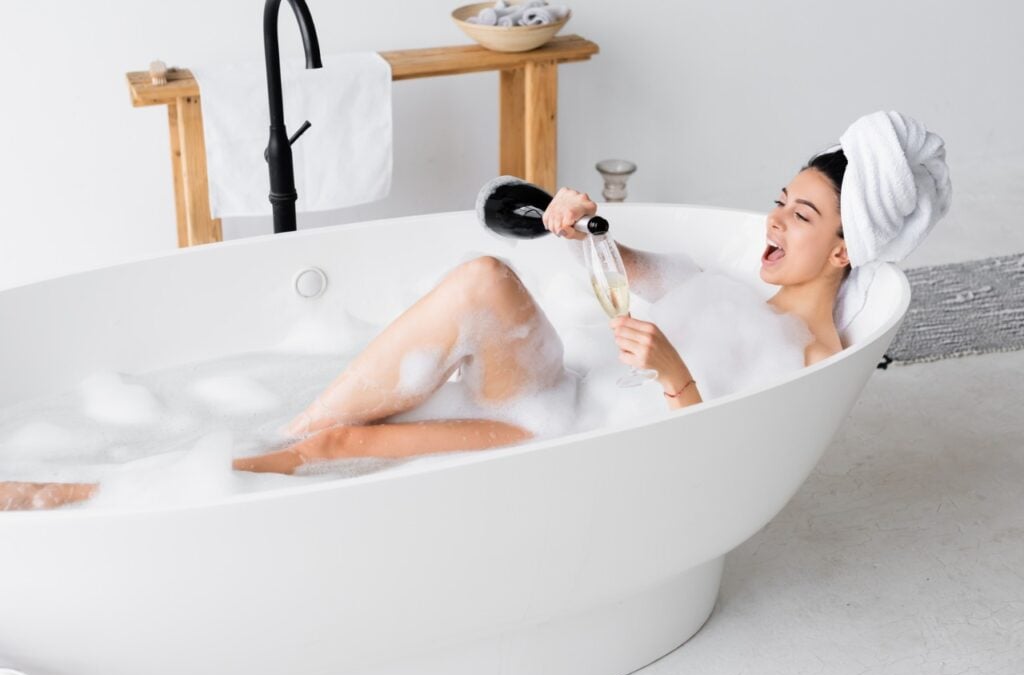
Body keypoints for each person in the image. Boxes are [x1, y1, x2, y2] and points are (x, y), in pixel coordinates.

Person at [0, 110, 951, 510]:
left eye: (803, 213)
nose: (775, 219)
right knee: (485, 279)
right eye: (780, 199)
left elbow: (701, 456)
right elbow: (637, 265)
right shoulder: (735, 287)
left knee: (334, 449)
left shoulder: (816, 349)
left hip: (569, 448)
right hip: (568, 397)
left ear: (846, 247)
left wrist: (672, 374)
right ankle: (260, 442)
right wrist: (584, 229)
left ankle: (85, 495)